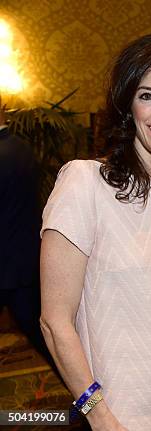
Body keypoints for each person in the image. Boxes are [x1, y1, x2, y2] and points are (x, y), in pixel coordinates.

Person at [40, 31, 151, 430]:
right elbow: (55, 322)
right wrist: (100, 417)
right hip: (118, 415)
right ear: (127, 106)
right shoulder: (84, 184)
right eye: (147, 95)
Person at [0, 95, 47, 358]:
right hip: (26, 264)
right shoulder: (22, 147)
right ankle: (86, 398)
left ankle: (87, 397)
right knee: (50, 342)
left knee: (50, 342)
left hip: (7, 268)